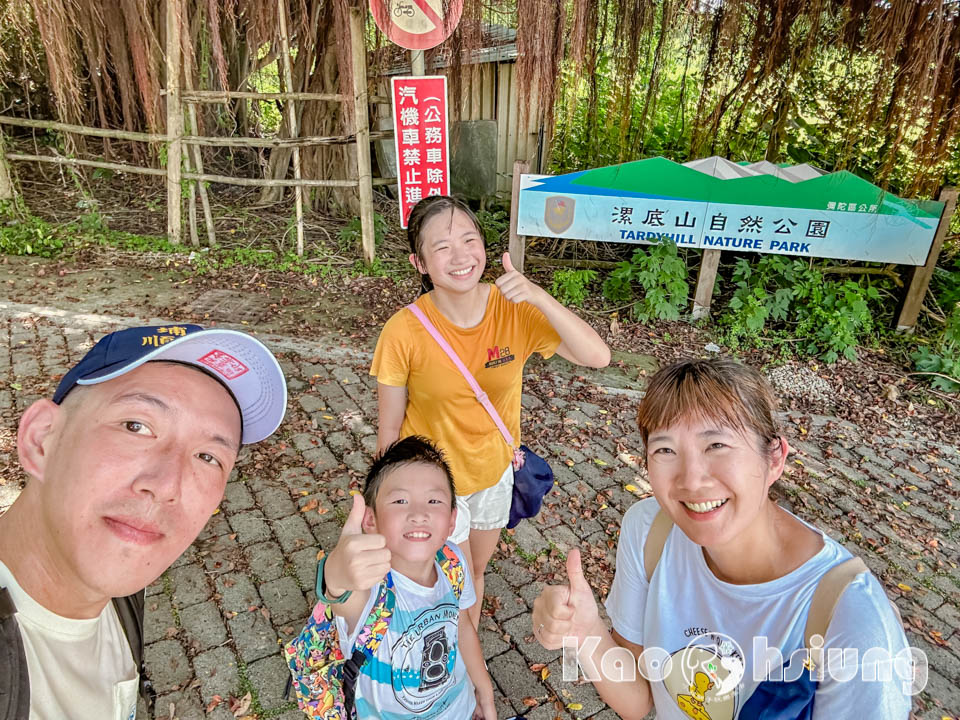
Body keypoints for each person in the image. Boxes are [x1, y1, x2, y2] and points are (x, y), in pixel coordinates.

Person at [532, 358, 913, 719]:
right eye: (665, 449)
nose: (692, 479)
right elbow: (637, 700)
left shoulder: (853, 621)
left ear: (775, 459)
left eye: (716, 445)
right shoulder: (650, 531)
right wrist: (586, 635)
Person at [0, 324, 287, 720]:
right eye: (137, 426)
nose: (168, 485)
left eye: (208, 457)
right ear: (41, 439)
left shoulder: (122, 594)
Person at [371, 195, 610, 627]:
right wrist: (386, 499)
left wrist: (539, 296)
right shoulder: (402, 330)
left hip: (493, 476)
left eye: (469, 239)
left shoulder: (515, 311)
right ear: (419, 263)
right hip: (433, 486)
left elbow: (597, 357)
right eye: (442, 247)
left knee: (472, 576)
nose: (460, 256)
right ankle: (430, 662)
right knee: (444, 581)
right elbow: (389, 427)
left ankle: (465, 663)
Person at [319, 435, 496, 719]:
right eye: (400, 500)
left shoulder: (453, 562)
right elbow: (342, 597)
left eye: (433, 500)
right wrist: (336, 573)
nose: (418, 513)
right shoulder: (370, 584)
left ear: (452, 521)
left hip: (458, 708)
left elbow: (460, 625)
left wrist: (483, 690)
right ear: (370, 519)